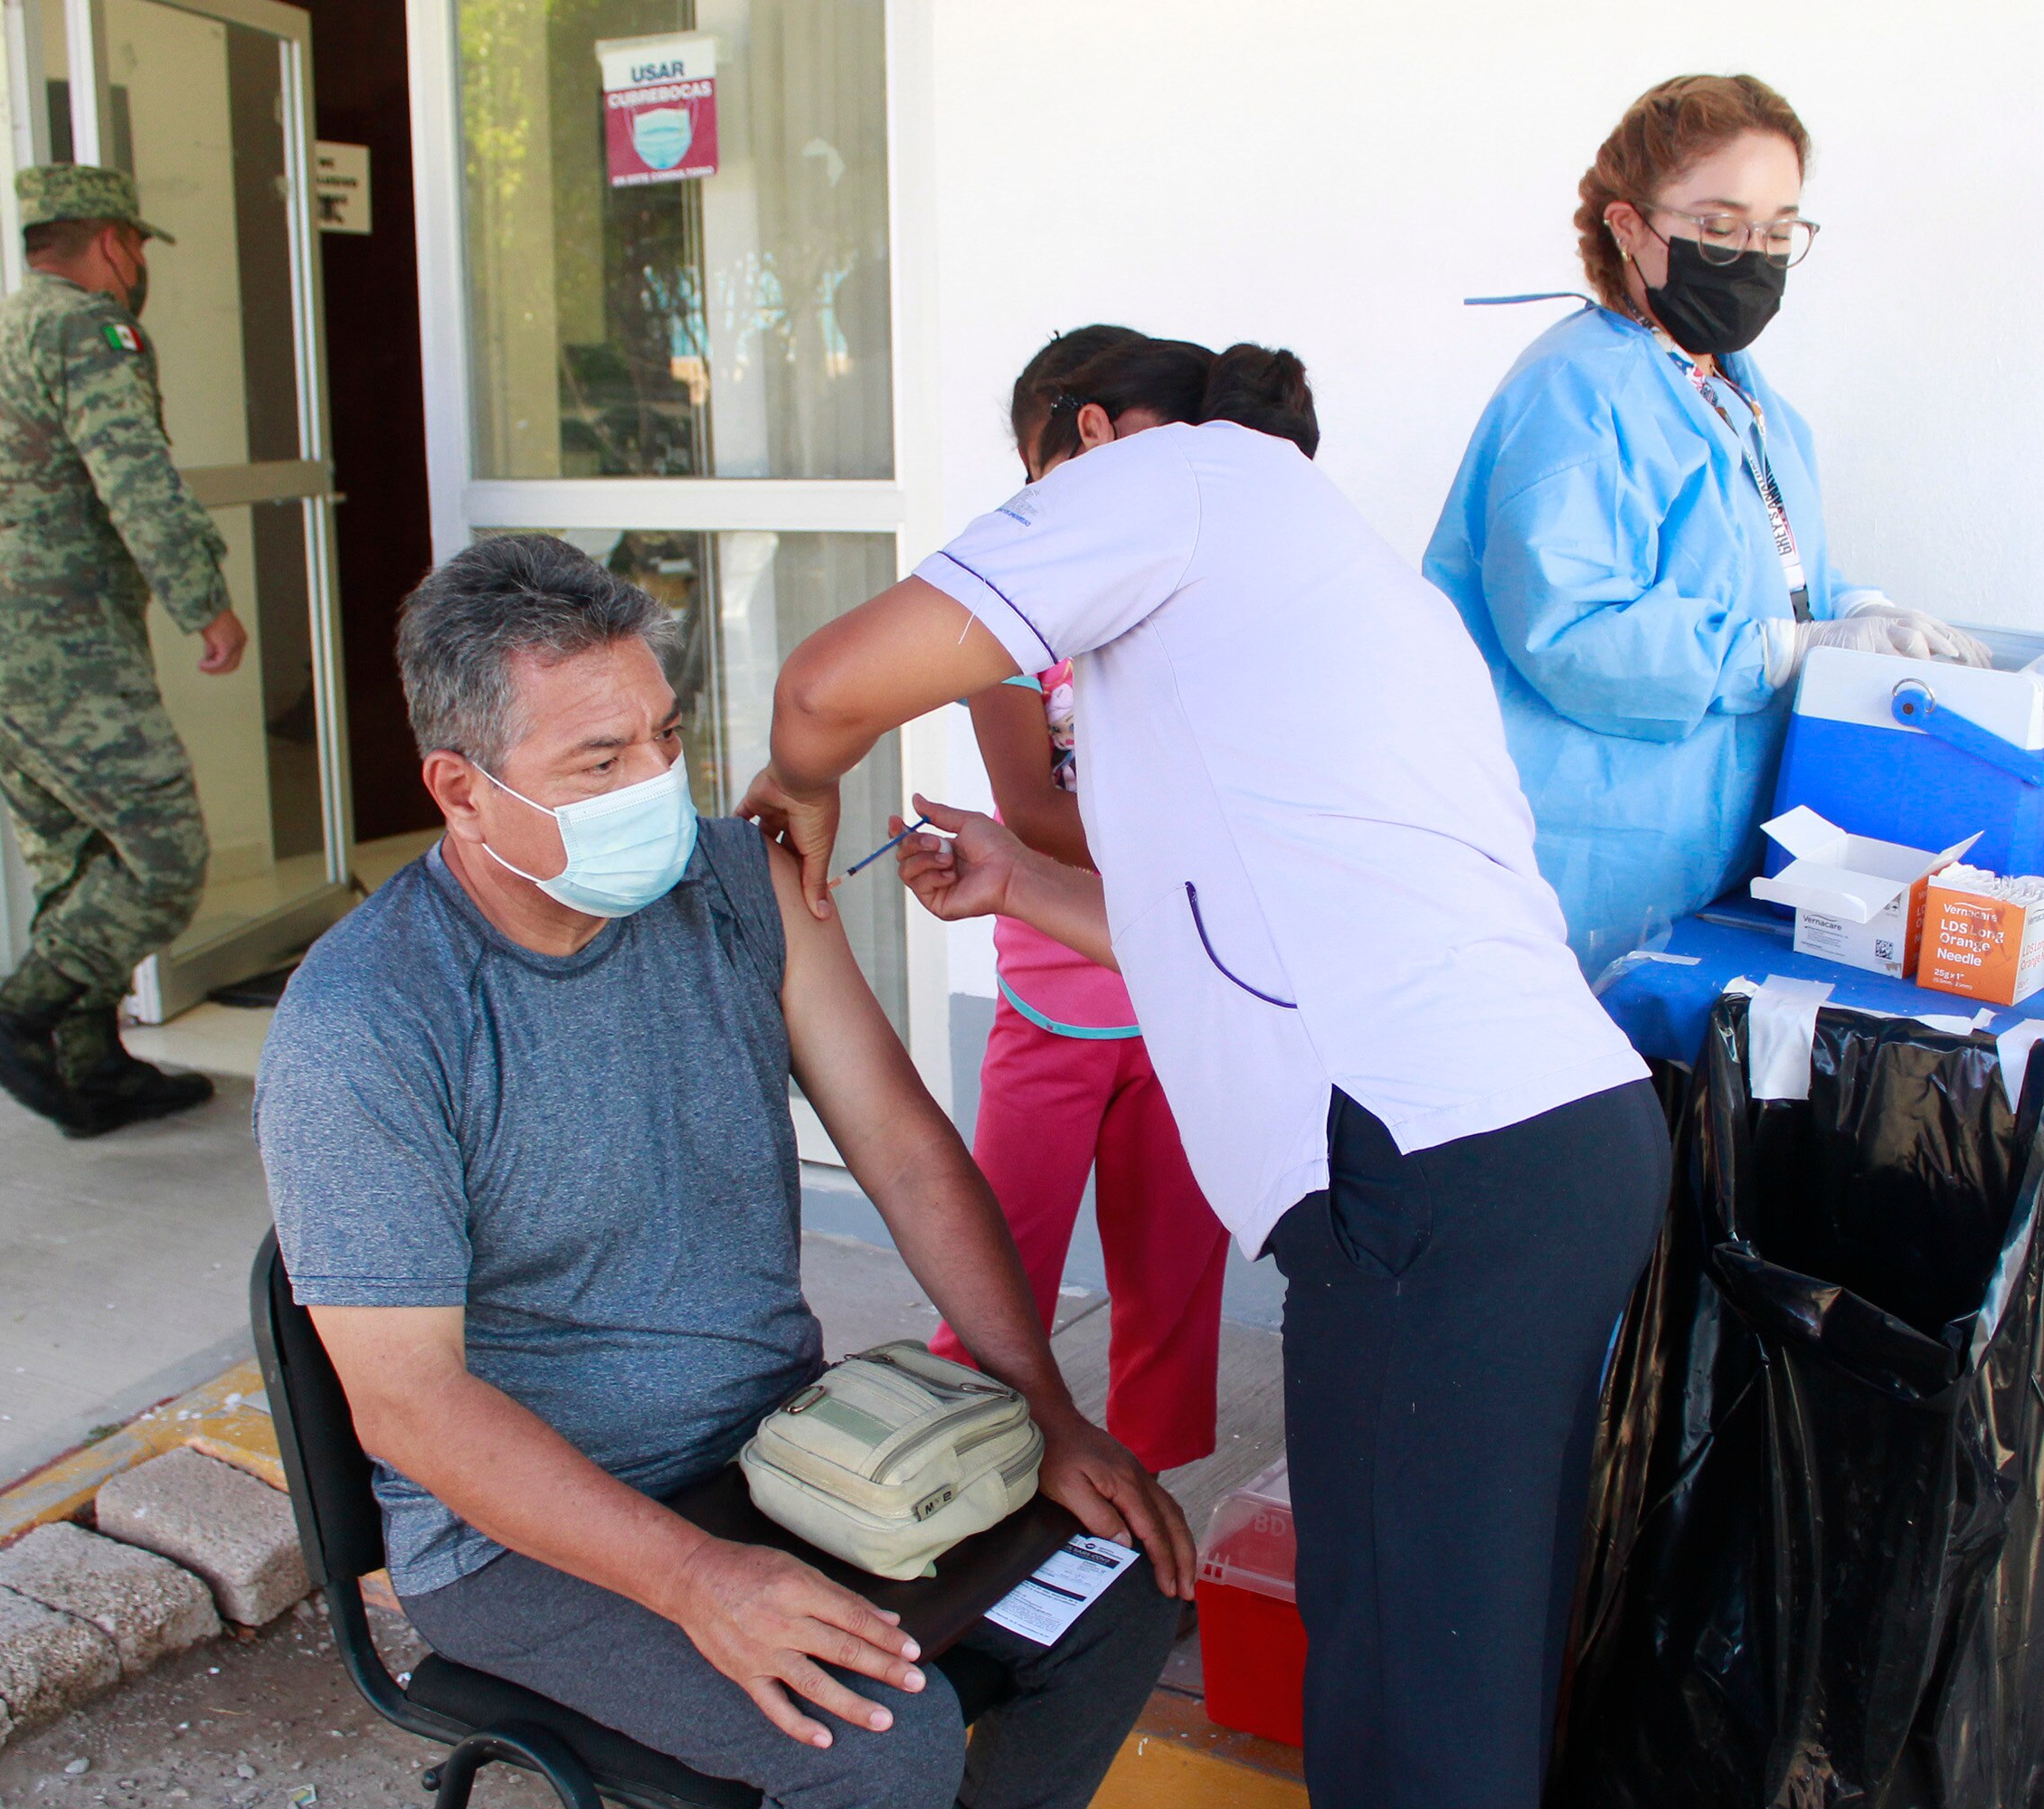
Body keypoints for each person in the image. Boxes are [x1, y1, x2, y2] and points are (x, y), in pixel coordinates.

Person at [738, 336, 1666, 1809]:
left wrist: (796, 789)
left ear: (1087, 435)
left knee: (1430, 1717)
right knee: (1406, 1652)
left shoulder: (1160, 479)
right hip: (1538, 1150)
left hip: (1441, 1170)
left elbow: (827, 678)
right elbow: (1230, 924)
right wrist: (1014, 883)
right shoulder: (1328, 573)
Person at [253, 535, 1186, 1809]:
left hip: (777, 1455)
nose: (656, 784)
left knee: (1116, 1586)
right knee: (878, 1741)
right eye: (599, 760)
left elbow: (907, 1155)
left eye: (662, 736)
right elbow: (410, 1403)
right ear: (461, 793)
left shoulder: (735, 882)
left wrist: (1048, 1409)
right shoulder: (366, 1023)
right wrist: (697, 1580)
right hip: (522, 1541)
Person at [1424, 75, 1990, 972]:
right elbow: (1572, 631)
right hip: (1576, 859)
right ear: (1628, 226)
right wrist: (1782, 652)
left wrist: (1867, 615)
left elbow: (1779, 572)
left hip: (1698, 854)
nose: (1753, 256)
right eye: (1721, 228)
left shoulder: (1732, 390)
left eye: (1778, 231)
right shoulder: (1575, 394)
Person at [929, 327, 1235, 1476]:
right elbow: (1026, 808)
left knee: (1173, 1292)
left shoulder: (1200, 585)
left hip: (1186, 1000)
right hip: (1055, 1005)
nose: (1036, 503)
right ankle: (961, 1501)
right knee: (996, 1280)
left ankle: (1143, 1540)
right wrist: (1187, 828)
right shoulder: (1015, 596)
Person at [0, 165, 243, 1136]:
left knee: (74, 852)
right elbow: (136, 475)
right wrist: (204, 604)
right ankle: (13, 1018)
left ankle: (93, 1066)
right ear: (112, 244)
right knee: (163, 856)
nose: (138, 268)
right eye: (137, 248)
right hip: (67, 652)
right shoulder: (91, 332)